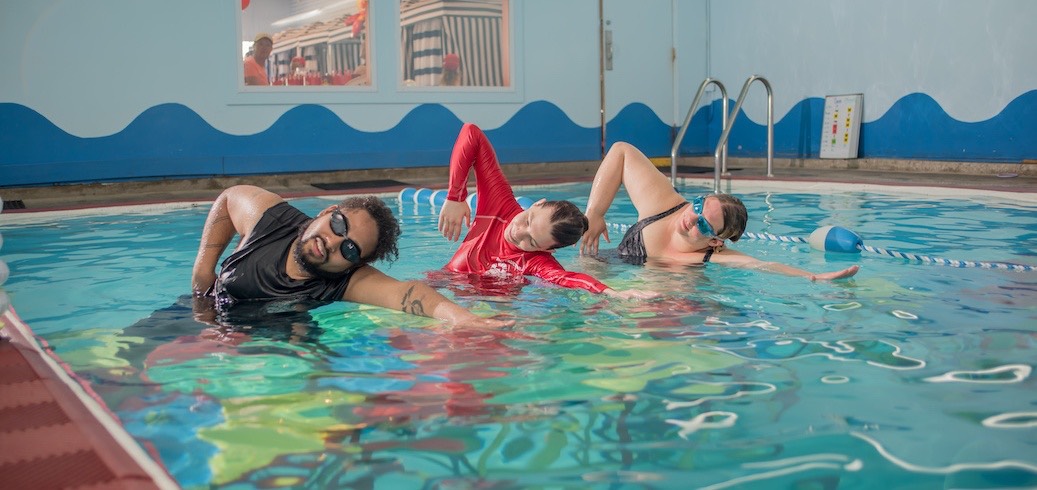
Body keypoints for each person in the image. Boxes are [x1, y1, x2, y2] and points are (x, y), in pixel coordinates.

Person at [192, 184, 513, 328]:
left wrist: (466, 319)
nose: (332, 242)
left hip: (273, 344)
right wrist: (203, 274)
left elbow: (409, 293)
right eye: (338, 224)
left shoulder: (344, 280)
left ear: (355, 264)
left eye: (349, 249)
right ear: (329, 211)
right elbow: (231, 196)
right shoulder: (271, 221)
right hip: (205, 313)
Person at [580, 142, 860, 281]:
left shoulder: (710, 256)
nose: (690, 218)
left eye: (702, 225)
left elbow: (762, 265)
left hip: (654, 295)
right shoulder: (664, 205)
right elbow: (621, 151)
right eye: (698, 205)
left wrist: (814, 277)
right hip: (608, 268)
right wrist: (594, 213)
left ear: (715, 241)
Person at [437, 124, 657, 299]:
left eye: (531, 242)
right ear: (537, 203)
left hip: (491, 314)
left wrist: (612, 293)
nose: (518, 232)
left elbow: (566, 278)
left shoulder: (536, 262)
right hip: (445, 289)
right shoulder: (499, 203)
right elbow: (471, 133)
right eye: (528, 219)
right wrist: (455, 197)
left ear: (547, 251)